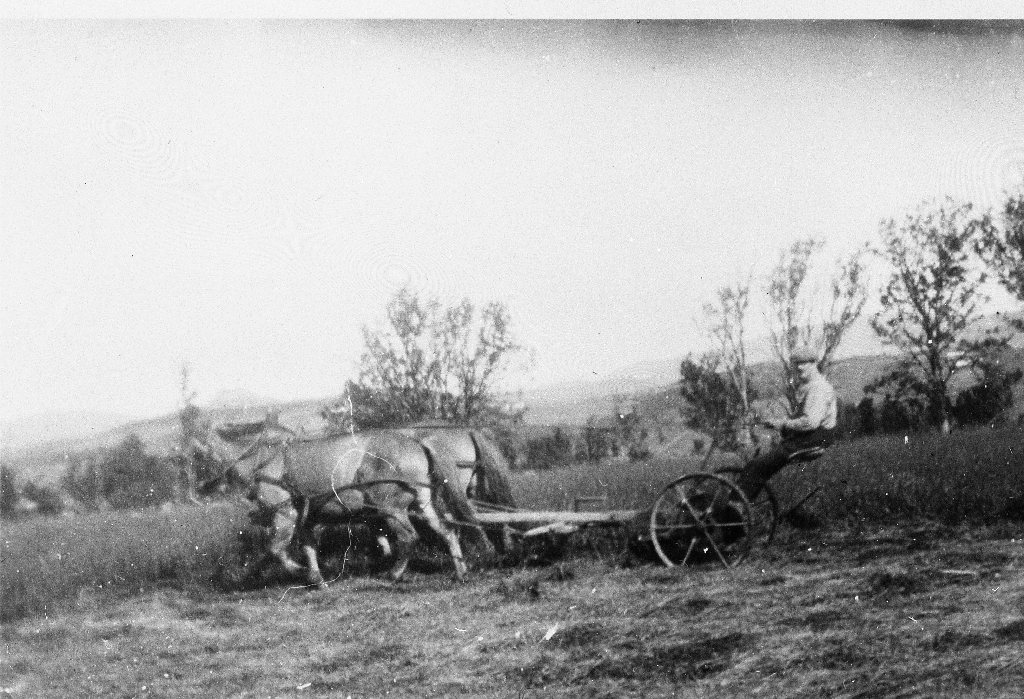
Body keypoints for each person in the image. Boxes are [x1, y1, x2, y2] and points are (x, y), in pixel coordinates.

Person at [735, 345, 837, 501]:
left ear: (814, 363)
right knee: (755, 466)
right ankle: (739, 507)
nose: (799, 367)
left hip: (810, 439)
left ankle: (734, 510)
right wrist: (778, 424)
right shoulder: (810, 386)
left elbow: (810, 423)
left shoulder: (818, 388)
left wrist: (783, 424)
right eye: (796, 364)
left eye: (804, 363)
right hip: (808, 438)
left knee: (755, 468)